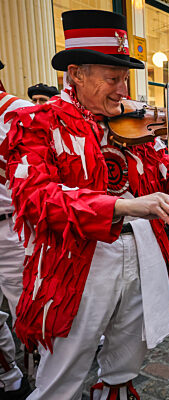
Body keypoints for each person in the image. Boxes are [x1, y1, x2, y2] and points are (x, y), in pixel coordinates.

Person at [0, 10, 169, 400]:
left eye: (124, 78)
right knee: (64, 371)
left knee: (127, 357)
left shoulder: (135, 125)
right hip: (79, 259)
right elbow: (36, 197)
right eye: (113, 79)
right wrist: (125, 208)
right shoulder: (39, 122)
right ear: (76, 74)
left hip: (143, 252)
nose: (122, 89)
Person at [0, 90, 33, 399]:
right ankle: (9, 376)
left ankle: (44, 379)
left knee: (28, 310)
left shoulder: (17, 109)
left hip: (12, 225)